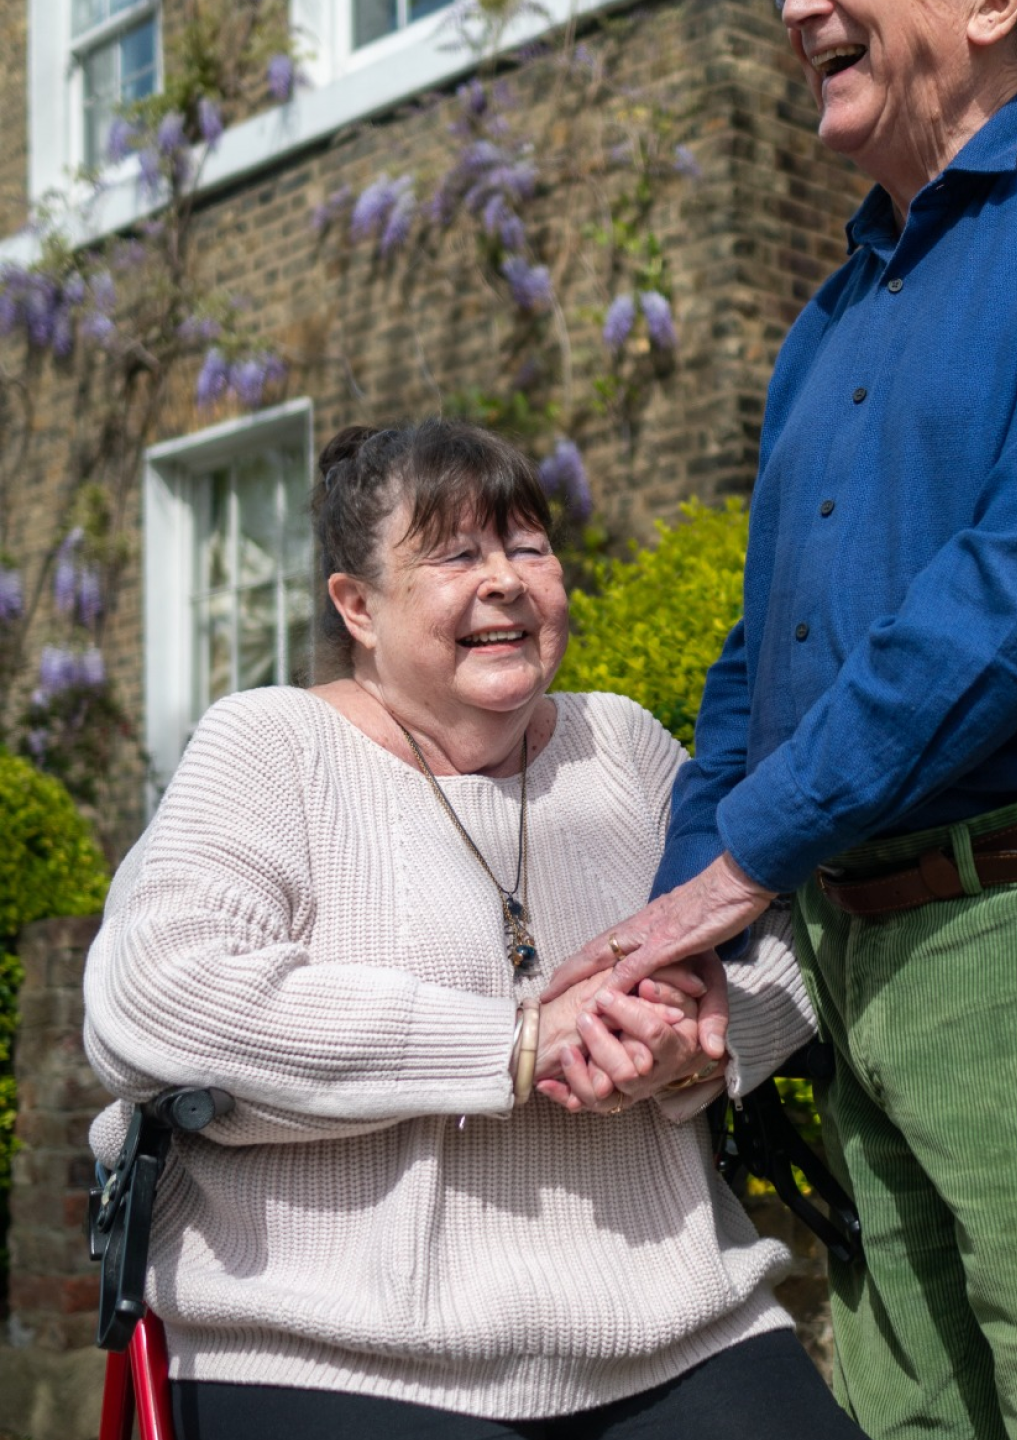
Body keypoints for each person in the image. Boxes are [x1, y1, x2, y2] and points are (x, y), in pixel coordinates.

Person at [543, 1, 1017, 1437]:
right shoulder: (827, 322)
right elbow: (762, 665)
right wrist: (691, 936)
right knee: (906, 1422)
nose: (796, 8)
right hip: (862, 952)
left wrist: (747, 861)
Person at [82, 419, 867, 1440]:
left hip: (676, 1323)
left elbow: (787, 934)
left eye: (528, 547)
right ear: (356, 606)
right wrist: (517, 1043)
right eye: (455, 555)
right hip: (327, 1348)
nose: (504, 581)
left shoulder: (621, 745)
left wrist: (701, 1042)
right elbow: (156, 996)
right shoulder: (272, 747)